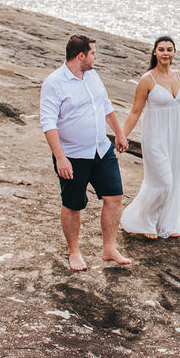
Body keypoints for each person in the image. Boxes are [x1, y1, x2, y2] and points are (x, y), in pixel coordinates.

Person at [40, 35, 131, 271]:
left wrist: (119, 134)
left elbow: (106, 105)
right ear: (81, 56)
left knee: (114, 198)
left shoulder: (92, 75)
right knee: (73, 205)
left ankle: (109, 248)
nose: (96, 57)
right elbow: (48, 123)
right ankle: (74, 252)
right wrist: (61, 157)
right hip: (73, 154)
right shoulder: (54, 82)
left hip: (101, 149)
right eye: (93, 53)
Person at [120, 36, 180, 239]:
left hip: (175, 137)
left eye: (169, 49)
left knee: (174, 179)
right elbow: (135, 112)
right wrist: (122, 136)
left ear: (174, 52)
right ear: (155, 52)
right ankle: (144, 222)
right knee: (162, 182)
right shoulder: (147, 79)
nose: (165, 53)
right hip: (154, 136)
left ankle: (168, 223)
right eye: (161, 49)